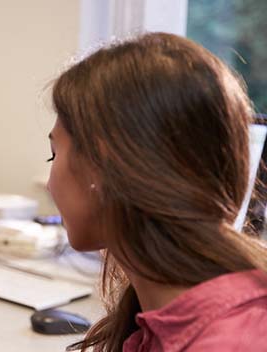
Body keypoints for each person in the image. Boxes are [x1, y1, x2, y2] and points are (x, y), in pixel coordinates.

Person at [46, 32, 267, 351]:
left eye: (54, 154)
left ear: (100, 164)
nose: (51, 181)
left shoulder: (230, 339)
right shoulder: (157, 315)